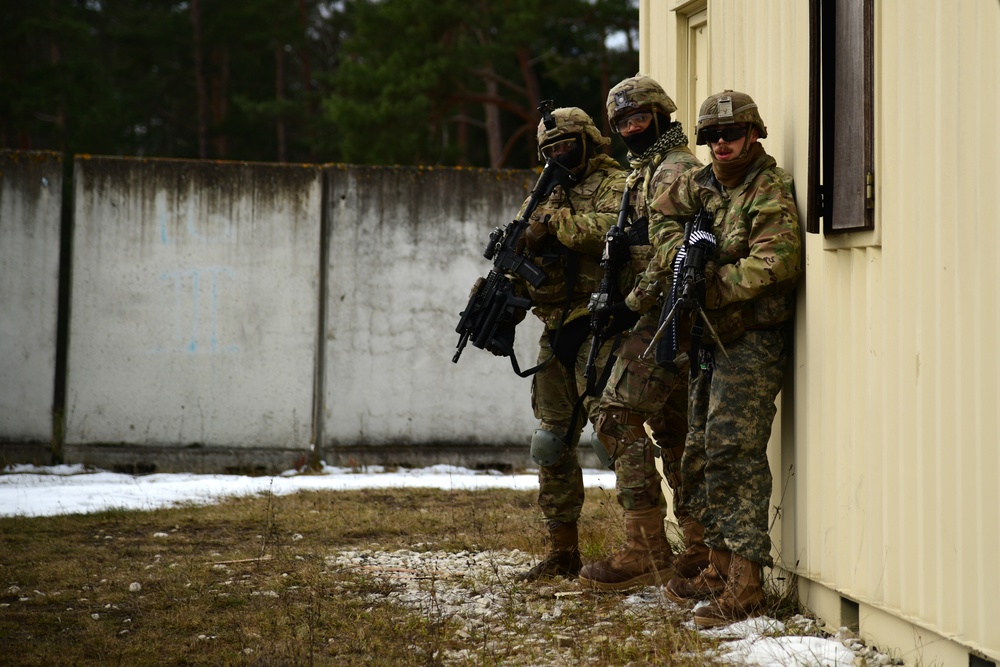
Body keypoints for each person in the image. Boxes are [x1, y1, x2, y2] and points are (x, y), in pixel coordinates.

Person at [649, 90, 803, 626]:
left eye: (731, 134)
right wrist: (679, 255)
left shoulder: (769, 186)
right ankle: (716, 566)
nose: (720, 144)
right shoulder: (704, 185)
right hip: (711, 339)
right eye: (711, 136)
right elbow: (662, 216)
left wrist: (713, 286)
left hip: (751, 339)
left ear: (754, 133)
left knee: (735, 452)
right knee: (702, 450)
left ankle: (746, 585)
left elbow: (778, 260)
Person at [577, 75, 704, 591]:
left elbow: (672, 252)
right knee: (674, 430)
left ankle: (645, 549)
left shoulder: (673, 169)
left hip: (668, 315)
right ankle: (695, 548)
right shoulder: (645, 170)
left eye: (639, 118)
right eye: (623, 122)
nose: (631, 128)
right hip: (662, 315)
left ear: (661, 116)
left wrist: (630, 305)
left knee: (615, 413)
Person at [507, 106, 627, 581]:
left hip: (601, 324)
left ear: (589, 140)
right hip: (555, 325)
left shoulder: (615, 184)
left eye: (565, 145)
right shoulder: (544, 191)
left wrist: (552, 225)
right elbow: (520, 242)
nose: (558, 155)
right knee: (550, 441)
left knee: (615, 437)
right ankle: (563, 551)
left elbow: (609, 234)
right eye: (549, 149)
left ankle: (648, 544)